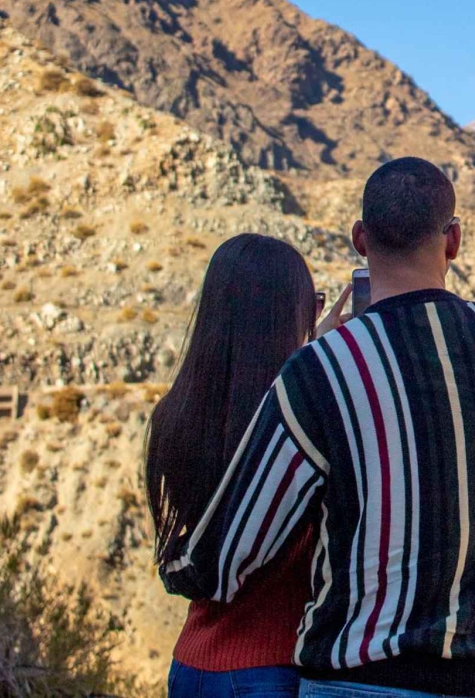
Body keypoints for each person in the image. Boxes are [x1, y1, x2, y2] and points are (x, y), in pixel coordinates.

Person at [159, 157, 475, 698]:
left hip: (359, 682)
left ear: (361, 238)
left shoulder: (319, 370)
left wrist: (178, 568)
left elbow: (227, 559)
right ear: (452, 241)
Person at [146, 233, 325, 698]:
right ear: (290, 316)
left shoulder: (175, 415)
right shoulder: (301, 424)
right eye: (313, 306)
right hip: (272, 667)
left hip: (192, 664)